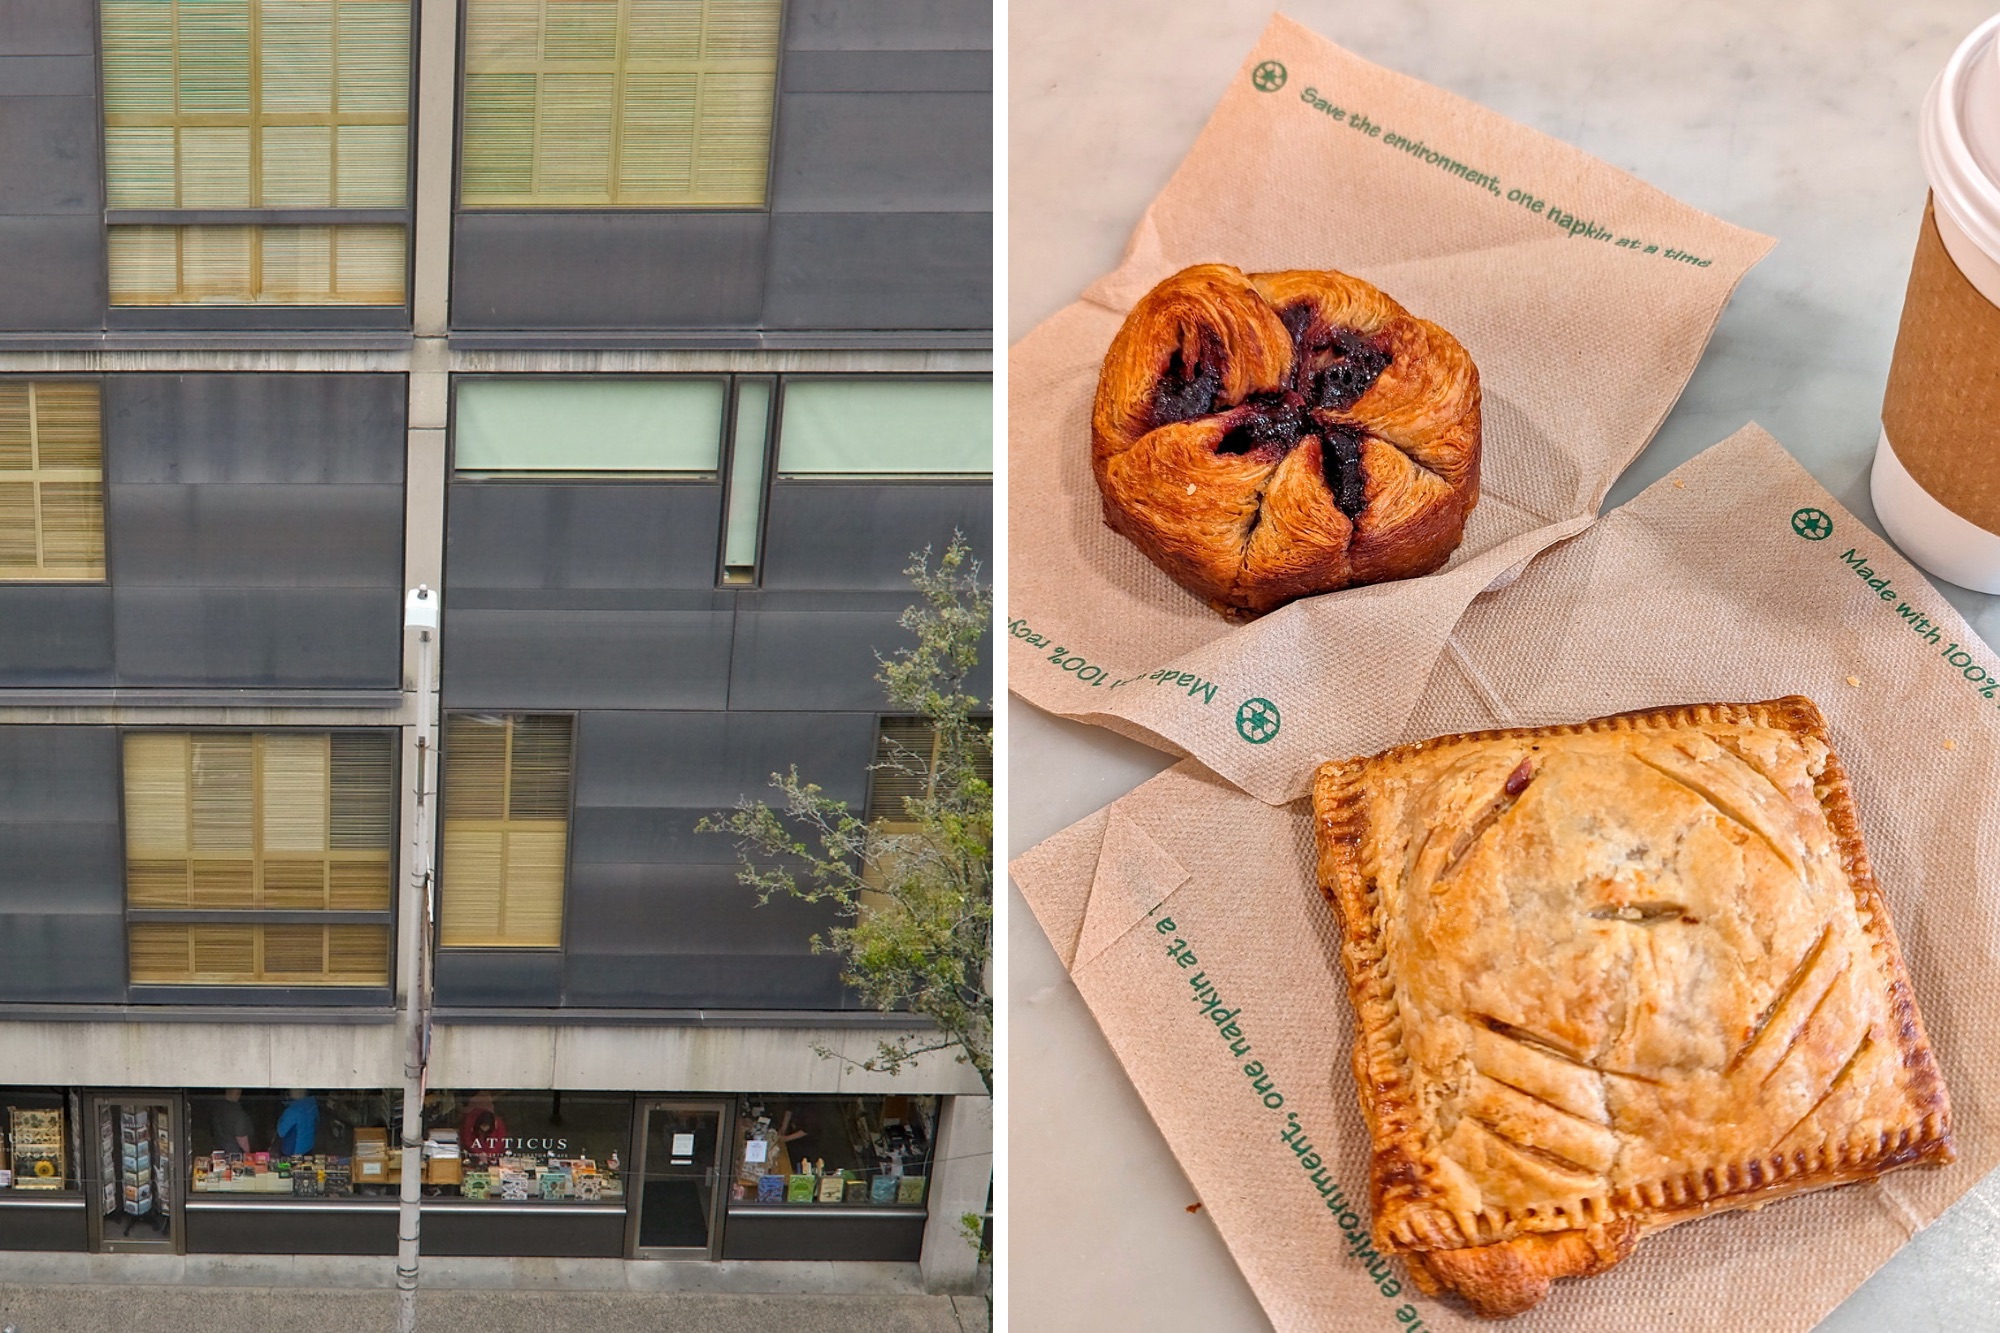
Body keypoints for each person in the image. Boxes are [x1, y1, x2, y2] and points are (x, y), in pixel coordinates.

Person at [274, 1090, 319, 1156]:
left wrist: (280, 1119)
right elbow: (317, 1123)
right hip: (309, 1147)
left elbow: (281, 1132)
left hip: (293, 1151)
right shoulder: (313, 1104)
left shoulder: (292, 1111)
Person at [210, 1089, 252, 1155]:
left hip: (217, 1150)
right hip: (234, 1154)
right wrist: (248, 1153)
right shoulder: (238, 1113)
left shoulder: (216, 1108)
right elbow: (241, 1137)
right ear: (238, 1094)